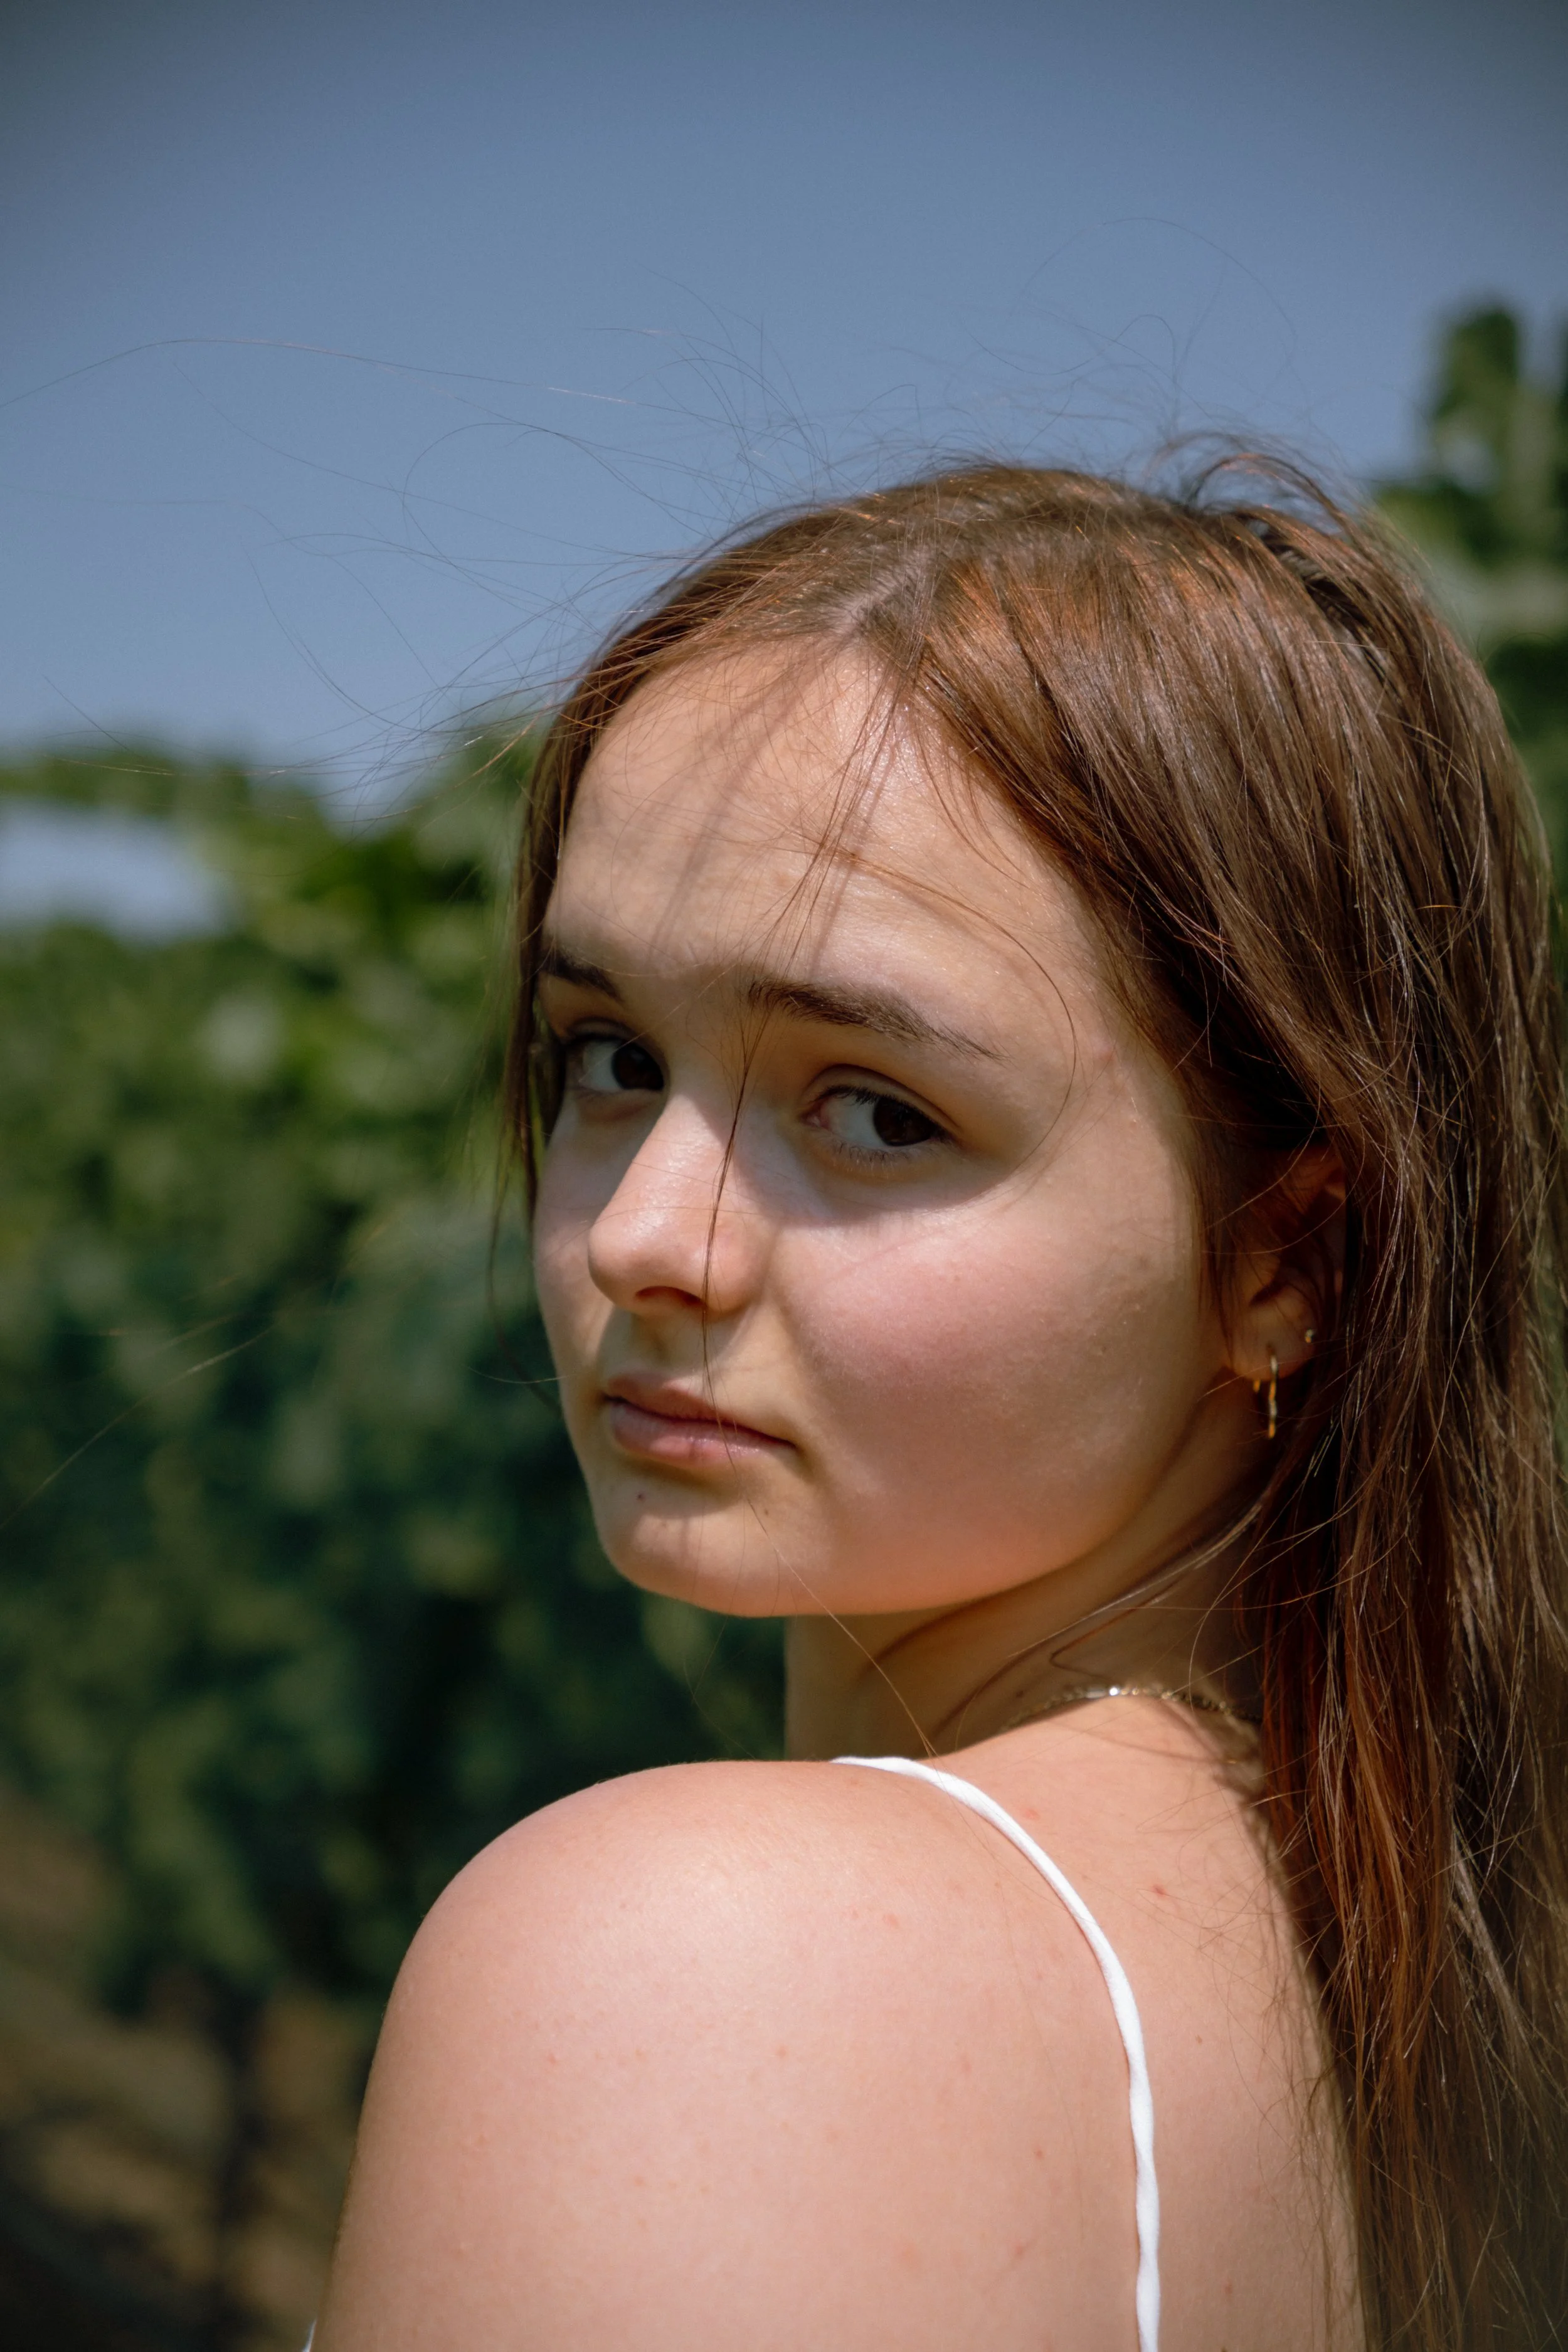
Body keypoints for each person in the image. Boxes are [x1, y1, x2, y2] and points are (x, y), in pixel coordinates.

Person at [312, 464, 1568, 2350]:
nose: (647, 1236)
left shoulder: (694, 1968)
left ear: (1281, 1258)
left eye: (878, 1110)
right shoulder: (1407, 2001)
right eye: (608, 1056)